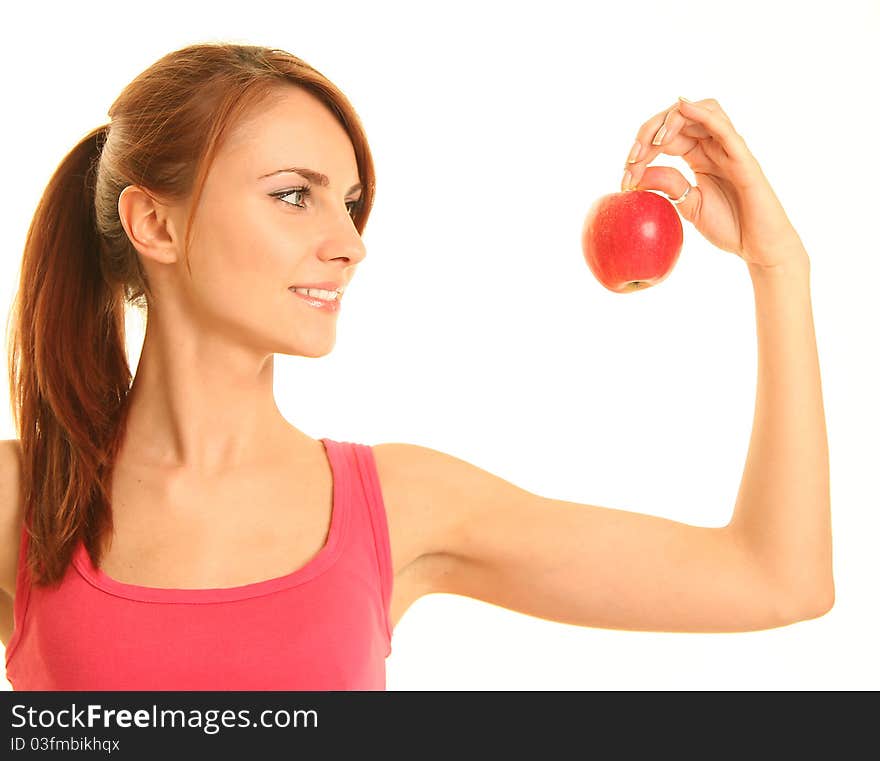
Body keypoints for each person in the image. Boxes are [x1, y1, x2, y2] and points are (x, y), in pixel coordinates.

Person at [0, 42, 833, 690]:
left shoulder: (397, 506)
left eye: (351, 202)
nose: (351, 243)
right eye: (295, 194)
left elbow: (775, 580)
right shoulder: (23, 500)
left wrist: (778, 266)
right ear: (155, 223)